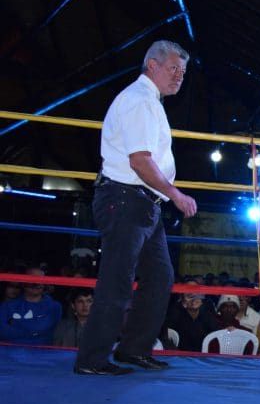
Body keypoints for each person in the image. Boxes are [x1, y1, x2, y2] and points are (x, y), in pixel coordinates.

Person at [73, 40, 196, 375]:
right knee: (117, 280)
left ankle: (133, 349)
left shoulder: (149, 102)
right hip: (126, 198)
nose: (179, 76)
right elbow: (140, 161)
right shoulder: (139, 100)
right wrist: (175, 194)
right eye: (173, 68)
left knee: (160, 277)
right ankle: (92, 360)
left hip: (142, 203)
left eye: (183, 72)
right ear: (152, 65)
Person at [0, 267, 62, 345]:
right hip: (11, 352)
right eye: (32, 279)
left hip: (42, 352)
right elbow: (2, 332)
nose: (36, 283)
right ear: (23, 282)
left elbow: (41, 327)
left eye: (40, 280)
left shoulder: (54, 306)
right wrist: (33, 332)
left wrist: (14, 323)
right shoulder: (7, 306)